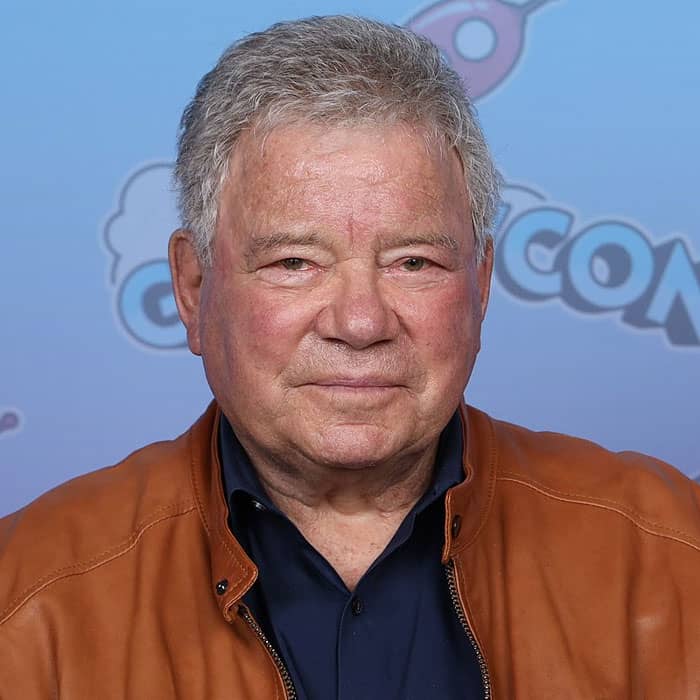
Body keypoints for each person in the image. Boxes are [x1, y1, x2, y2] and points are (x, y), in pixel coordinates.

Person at [1, 15, 699, 699]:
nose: (360, 323)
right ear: (193, 288)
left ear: (480, 286)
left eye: (413, 262)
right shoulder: (28, 596)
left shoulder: (670, 555)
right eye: (295, 262)